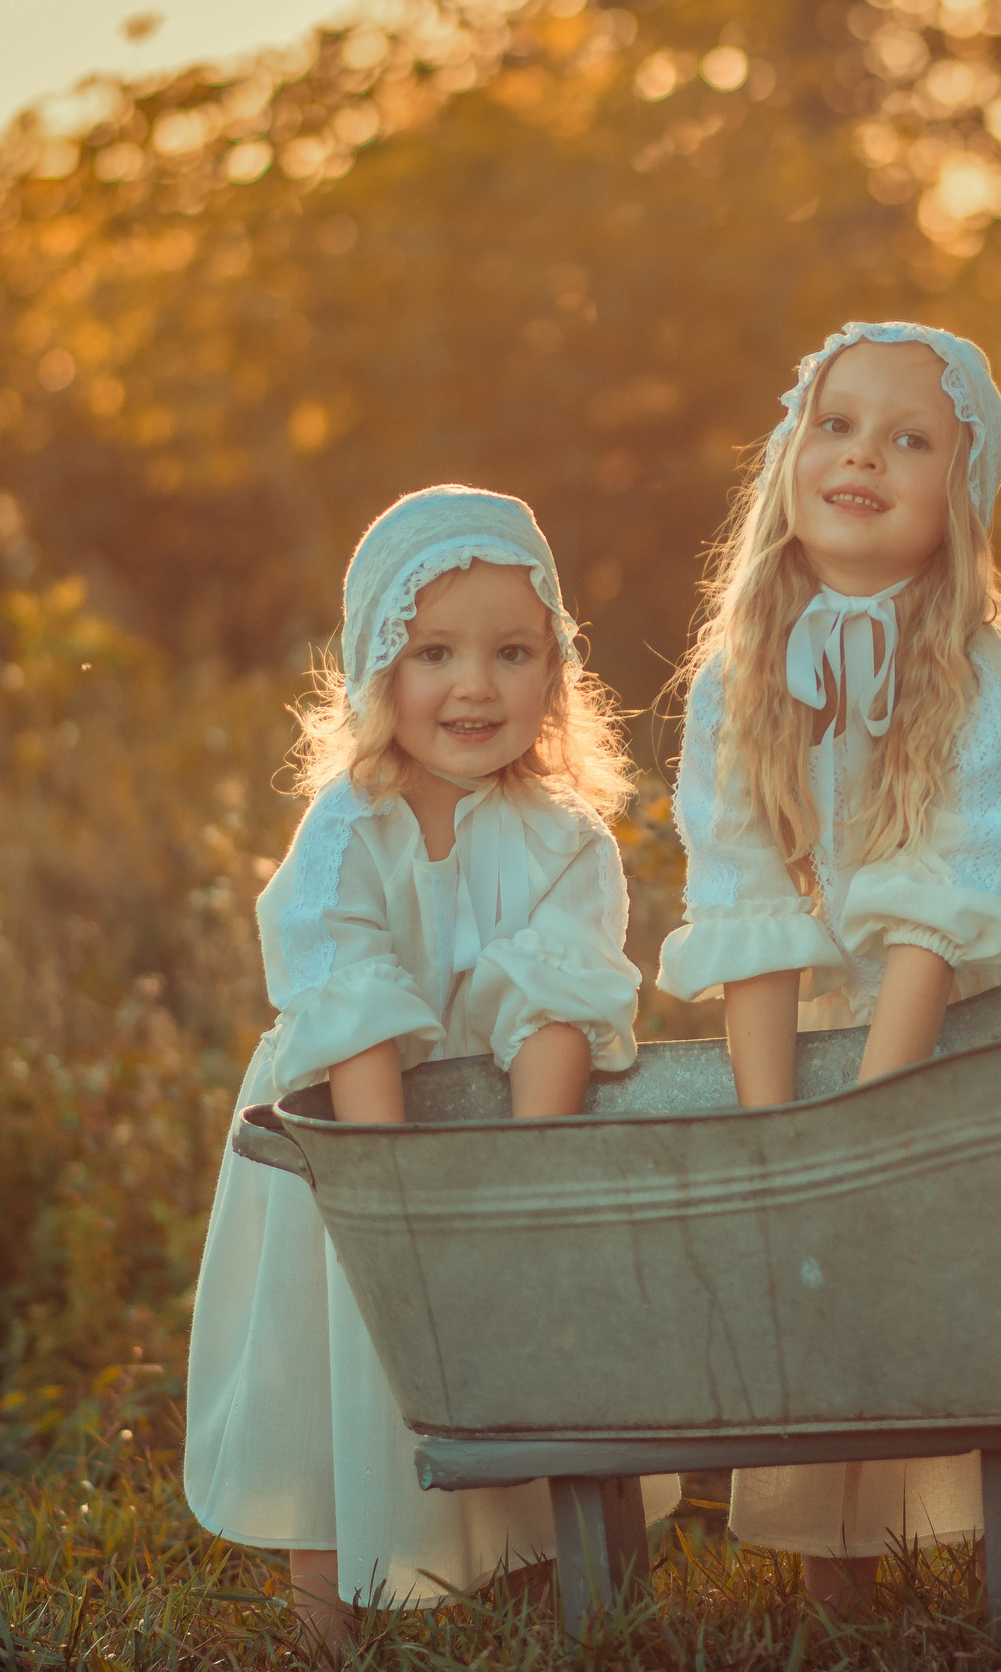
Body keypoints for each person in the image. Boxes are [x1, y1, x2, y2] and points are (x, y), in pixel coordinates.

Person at [657, 322, 1001, 1614]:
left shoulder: (977, 671)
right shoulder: (732, 679)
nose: (864, 456)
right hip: (859, 980)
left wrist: (877, 1120)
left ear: (959, 495)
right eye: (839, 425)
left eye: (911, 439)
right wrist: (777, 1137)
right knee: (825, 1259)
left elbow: (949, 903)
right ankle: (836, 1584)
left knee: (980, 1265)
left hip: (999, 976)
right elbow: (741, 894)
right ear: (792, 453)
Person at [183, 486, 678, 1656]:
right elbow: (349, 997)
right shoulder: (346, 826)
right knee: (335, 1361)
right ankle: (325, 1611)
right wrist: (390, 1193)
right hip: (349, 1146)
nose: (475, 685)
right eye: (434, 652)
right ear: (375, 670)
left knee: (518, 1350)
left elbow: (556, 1004)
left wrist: (513, 1176)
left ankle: (525, 1574)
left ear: (554, 670)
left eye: (513, 652)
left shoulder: (567, 840)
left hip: (505, 1131)